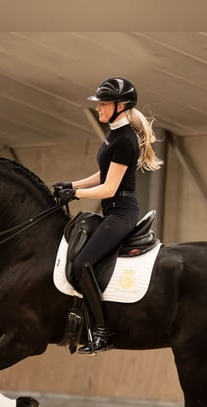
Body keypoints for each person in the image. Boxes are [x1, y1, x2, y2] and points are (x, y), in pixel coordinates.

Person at [53, 77, 164, 354]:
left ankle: (101, 331)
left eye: (103, 104)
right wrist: (73, 185)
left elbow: (110, 187)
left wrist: (75, 195)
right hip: (112, 211)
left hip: (122, 214)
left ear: (120, 106)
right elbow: (103, 174)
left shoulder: (125, 139)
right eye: (99, 104)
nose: (99, 109)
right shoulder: (114, 133)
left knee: (83, 263)